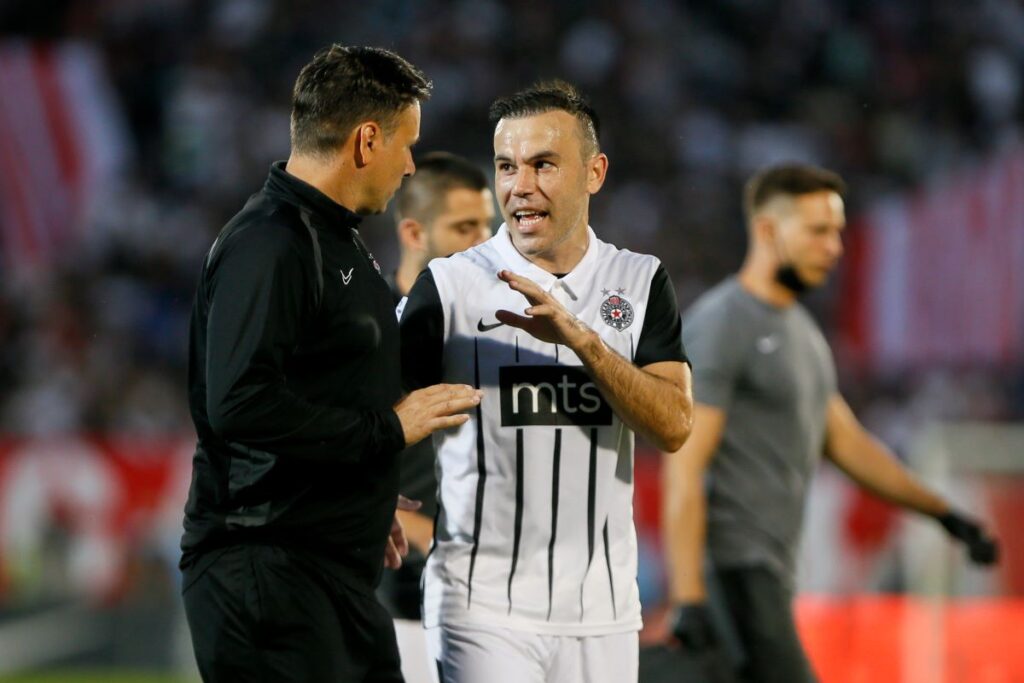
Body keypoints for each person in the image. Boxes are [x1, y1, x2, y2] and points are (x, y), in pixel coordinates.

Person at [180, 44, 482, 683]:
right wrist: (388, 431)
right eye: (406, 144)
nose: (409, 166)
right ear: (367, 140)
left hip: (321, 567)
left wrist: (359, 496)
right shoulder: (271, 243)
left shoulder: (331, 239)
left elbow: (315, 394)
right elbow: (239, 402)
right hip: (266, 570)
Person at [399, 81, 694, 683]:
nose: (519, 187)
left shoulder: (639, 281)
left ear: (594, 172)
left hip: (605, 610)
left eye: (542, 165)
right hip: (480, 603)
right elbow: (367, 404)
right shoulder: (450, 286)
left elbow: (674, 425)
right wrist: (370, 494)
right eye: (506, 166)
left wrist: (584, 341)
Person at [662, 163, 1000, 683]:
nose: (835, 247)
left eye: (837, 231)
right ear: (769, 230)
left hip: (770, 574)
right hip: (733, 572)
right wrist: (688, 596)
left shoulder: (803, 334)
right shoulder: (723, 323)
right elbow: (684, 465)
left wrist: (945, 514)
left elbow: (847, 443)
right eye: (819, 231)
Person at [378, 151, 494, 683]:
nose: (484, 241)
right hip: (402, 604)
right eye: (464, 227)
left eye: (487, 225)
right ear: (414, 232)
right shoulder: (371, 332)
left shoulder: (496, 334)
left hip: (496, 605)